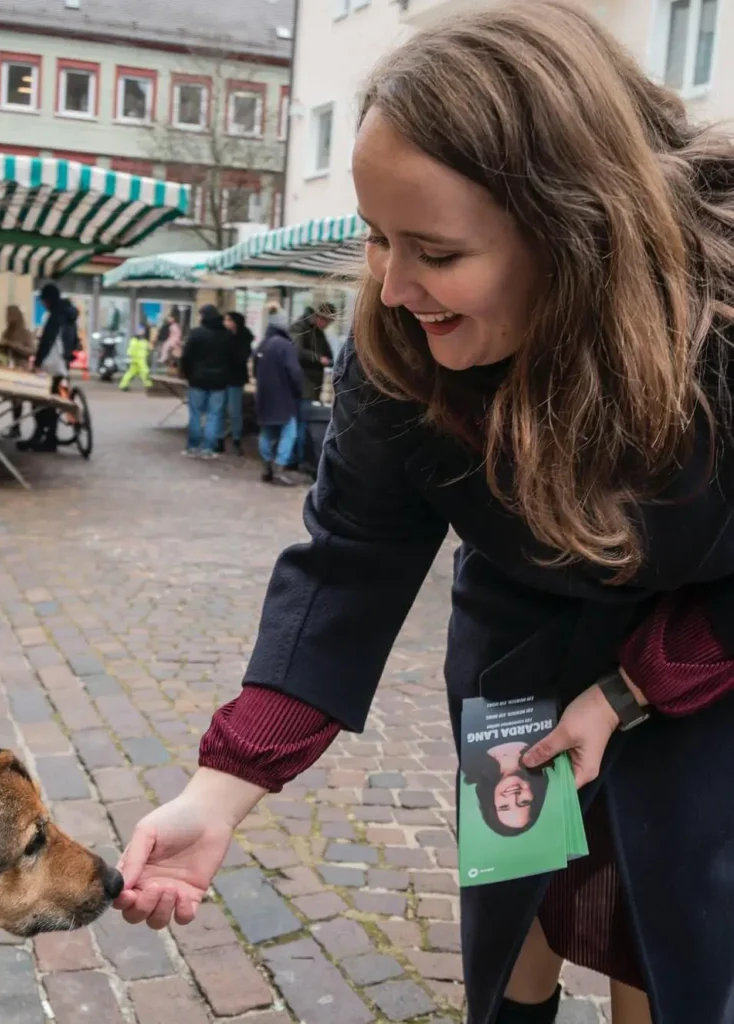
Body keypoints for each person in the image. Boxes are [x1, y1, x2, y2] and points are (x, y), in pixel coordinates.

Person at [113, 4, 734, 1023]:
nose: (395, 287)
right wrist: (222, 786)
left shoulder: (716, 342)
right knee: (517, 903)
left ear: (573, 230)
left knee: (670, 919)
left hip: (703, 660)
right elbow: (351, 557)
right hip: (520, 654)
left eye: (437, 254)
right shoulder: (397, 348)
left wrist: (631, 689)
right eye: (375, 240)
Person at [19, 283, 78, 453]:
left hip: (50, 366)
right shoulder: (69, 315)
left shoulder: (55, 316)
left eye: (43, 301)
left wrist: (36, 362)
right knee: (53, 401)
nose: (42, 304)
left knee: (42, 401)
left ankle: (45, 437)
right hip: (62, 365)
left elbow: (47, 341)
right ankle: (45, 435)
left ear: (48, 300)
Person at [251, 309, 302, 485]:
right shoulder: (285, 345)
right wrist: (298, 390)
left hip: (264, 396)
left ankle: (267, 467)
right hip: (283, 397)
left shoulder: (263, 344)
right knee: (290, 432)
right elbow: (294, 372)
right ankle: (279, 467)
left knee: (266, 432)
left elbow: (254, 370)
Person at [462, 740, 550, 837]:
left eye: (504, 806)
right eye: (524, 802)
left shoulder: (468, 759)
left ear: (491, 801)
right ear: (536, 794)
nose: (513, 797)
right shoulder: (544, 746)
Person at [180, 305, 231, 459]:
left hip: (197, 380)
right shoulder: (226, 335)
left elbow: (186, 357)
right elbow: (232, 359)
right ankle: (209, 448)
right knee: (214, 415)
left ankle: (193, 447)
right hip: (219, 382)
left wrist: (188, 375)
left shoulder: (196, 334)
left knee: (195, 414)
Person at [289, 303, 336, 466]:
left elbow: (328, 353)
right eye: (327, 322)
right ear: (319, 317)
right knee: (300, 422)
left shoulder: (317, 331)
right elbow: (297, 351)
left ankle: (300, 457)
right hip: (303, 383)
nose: (327, 326)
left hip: (311, 384)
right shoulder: (300, 328)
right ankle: (295, 458)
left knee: (304, 421)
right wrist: (319, 358)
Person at [0, 305, 35, 440]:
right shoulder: (7, 332)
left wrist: (13, 345)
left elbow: (31, 351)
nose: (7, 318)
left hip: (21, 368)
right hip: (8, 368)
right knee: (12, 400)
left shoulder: (25, 333)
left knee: (17, 400)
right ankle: (12, 427)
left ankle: (16, 428)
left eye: (9, 315)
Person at [216, 311, 254, 456]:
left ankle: (236, 440)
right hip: (223, 377)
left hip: (236, 378)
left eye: (228, 320)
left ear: (235, 322)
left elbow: (241, 357)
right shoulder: (223, 335)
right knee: (221, 410)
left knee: (234, 411)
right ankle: (219, 439)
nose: (226, 323)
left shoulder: (244, 337)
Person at [119, 327, 153, 392]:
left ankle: (123, 385)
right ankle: (149, 386)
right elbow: (132, 348)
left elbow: (146, 349)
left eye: (142, 331)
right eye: (140, 331)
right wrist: (130, 356)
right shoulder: (136, 339)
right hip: (139, 358)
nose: (141, 332)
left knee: (131, 372)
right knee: (145, 371)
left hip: (139, 358)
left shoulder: (142, 339)